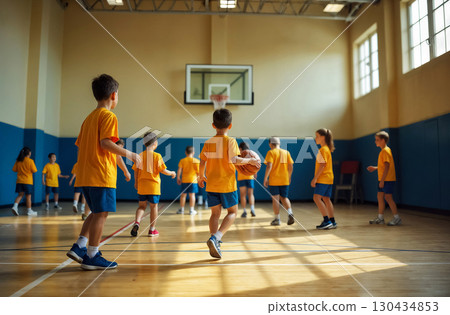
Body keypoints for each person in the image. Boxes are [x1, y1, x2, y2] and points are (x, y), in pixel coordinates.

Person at [66, 74, 141, 270]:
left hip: (86, 174)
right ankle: (92, 255)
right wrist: (131, 155)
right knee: (101, 214)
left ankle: (80, 246)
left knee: (94, 212)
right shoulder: (109, 116)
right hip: (101, 174)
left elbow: (82, 146)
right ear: (114, 95)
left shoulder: (88, 119)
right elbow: (106, 143)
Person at [199, 109, 260, 259]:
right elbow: (234, 160)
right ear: (230, 126)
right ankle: (216, 238)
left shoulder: (208, 142)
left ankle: (214, 240)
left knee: (215, 214)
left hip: (211, 184)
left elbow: (202, 161)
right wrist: (250, 160)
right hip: (227, 184)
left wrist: (201, 175)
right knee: (232, 212)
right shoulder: (231, 141)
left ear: (213, 125)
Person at [130, 132, 176, 237]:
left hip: (142, 185)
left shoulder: (140, 156)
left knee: (141, 206)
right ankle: (152, 229)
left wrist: (136, 182)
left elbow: (135, 171)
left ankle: (137, 222)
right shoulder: (157, 156)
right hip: (153, 186)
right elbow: (163, 170)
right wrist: (172, 173)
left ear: (144, 143)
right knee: (153, 207)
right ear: (155, 143)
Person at [367, 131, 401, 226]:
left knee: (388, 197)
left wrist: (382, 181)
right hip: (383, 179)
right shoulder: (384, 151)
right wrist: (375, 168)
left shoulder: (385, 151)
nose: (375, 141)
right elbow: (383, 166)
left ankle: (397, 218)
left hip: (387, 180)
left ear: (383, 140)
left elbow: (387, 167)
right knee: (380, 196)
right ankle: (380, 218)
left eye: (377, 140)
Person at [263, 137, 295, 226]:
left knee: (276, 200)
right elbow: (291, 166)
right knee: (284, 197)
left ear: (270, 144)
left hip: (274, 180)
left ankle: (277, 219)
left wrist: (265, 178)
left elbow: (269, 165)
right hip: (284, 179)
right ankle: (290, 212)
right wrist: (289, 176)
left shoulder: (271, 152)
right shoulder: (286, 152)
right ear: (279, 143)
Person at [311, 128, 336, 229]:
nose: (315, 138)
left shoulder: (323, 150)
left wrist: (315, 178)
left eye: (317, 136)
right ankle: (332, 221)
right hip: (329, 178)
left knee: (316, 198)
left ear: (323, 137)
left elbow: (322, 165)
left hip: (323, 178)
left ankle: (326, 221)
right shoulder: (326, 149)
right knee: (326, 199)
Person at [11, 147, 38, 216]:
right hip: (28, 181)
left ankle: (15, 206)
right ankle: (29, 211)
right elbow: (34, 170)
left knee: (20, 195)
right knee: (28, 196)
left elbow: (14, 169)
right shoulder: (30, 161)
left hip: (19, 181)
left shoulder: (18, 161)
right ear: (29, 153)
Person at [176, 146, 199, 215]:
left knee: (183, 195)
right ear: (193, 153)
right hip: (193, 181)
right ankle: (191, 210)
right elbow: (198, 172)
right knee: (192, 195)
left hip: (184, 180)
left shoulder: (182, 161)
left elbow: (179, 169)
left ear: (185, 152)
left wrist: (178, 177)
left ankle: (182, 210)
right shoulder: (196, 161)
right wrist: (199, 179)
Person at [237, 142, 257, 218]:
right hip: (250, 177)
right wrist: (255, 173)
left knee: (243, 195)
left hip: (241, 177)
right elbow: (256, 165)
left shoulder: (239, 155)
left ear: (240, 148)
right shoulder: (252, 154)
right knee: (251, 194)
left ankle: (244, 211)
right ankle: (252, 209)